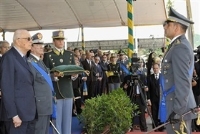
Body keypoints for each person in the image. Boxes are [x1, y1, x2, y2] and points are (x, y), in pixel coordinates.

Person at [161, 7, 196, 133]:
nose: (164, 27)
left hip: (178, 107)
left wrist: (177, 111)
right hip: (175, 104)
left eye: (167, 24)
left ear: (176, 27)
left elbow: (183, 82)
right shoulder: (177, 45)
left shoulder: (180, 47)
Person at [0, 29, 37, 134]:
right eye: (28, 39)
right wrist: (14, 115)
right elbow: (7, 89)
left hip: (28, 113)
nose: (31, 42)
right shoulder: (9, 58)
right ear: (18, 41)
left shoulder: (24, 58)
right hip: (17, 116)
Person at [43, 30, 75, 134]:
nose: (61, 42)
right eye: (58, 40)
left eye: (62, 40)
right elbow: (45, 74)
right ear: (53, 41)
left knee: (67, 120)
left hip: (68, 89)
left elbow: (74, 71)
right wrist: (54, 76)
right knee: (57, 119)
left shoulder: (69, 54)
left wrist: (75, 75)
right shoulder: (48, 55)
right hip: (55, 91)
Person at [27, 33, 55, 134]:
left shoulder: (40, 61)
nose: (41, 47)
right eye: (38, 45)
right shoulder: (30, 63)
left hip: (46, 103)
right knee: (39, 130)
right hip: (39, 104)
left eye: (41, 45)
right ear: (31, 47)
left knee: (45, 130)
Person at [147, 63, 164, 131]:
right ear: (152, 69)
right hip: (153, 99)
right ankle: (155, 127)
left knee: (161, 112)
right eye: (154, 68)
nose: (155, 70)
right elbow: (148, 89)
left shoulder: (162, 77)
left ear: (159, 68)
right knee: (154, 113)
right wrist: (148, 99)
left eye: (157, 68)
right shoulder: (149, 77)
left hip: (161, 99)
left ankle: (161, 126)